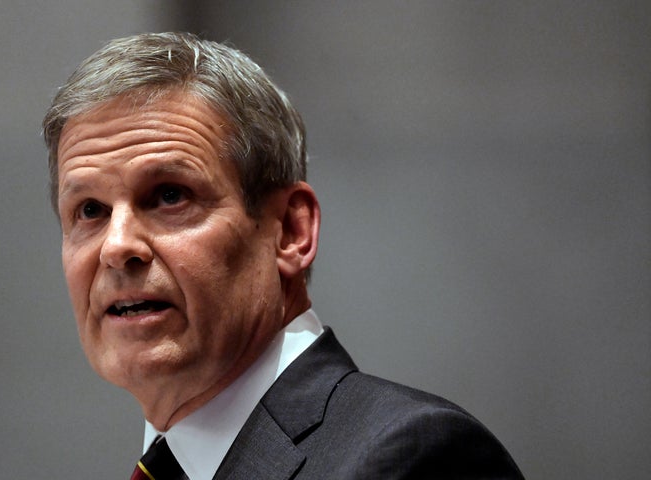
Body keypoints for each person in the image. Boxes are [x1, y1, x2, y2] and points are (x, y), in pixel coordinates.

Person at [43, 32, 524, 479]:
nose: (117, 246)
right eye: (90, 209)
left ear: (291, 231)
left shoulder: (414, 459)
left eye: (170, 195)